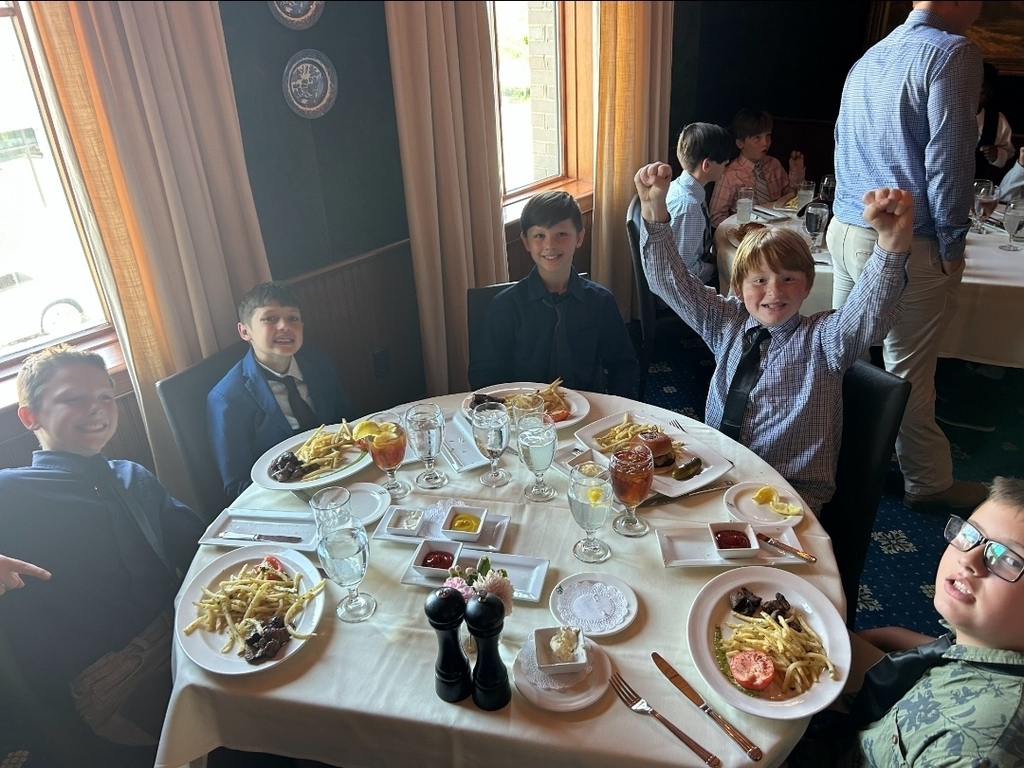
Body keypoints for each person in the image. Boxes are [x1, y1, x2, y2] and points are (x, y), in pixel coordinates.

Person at [635, 161, 912, 513]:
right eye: (760, 280)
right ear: (738, 286)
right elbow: (670, 282)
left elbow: (870, 308)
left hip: (787, 497)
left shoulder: (824, 342)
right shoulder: (727, 322)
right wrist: (654, 210)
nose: (774, 291)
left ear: (808, 285)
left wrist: (891, 243)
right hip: (716, 475)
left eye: (788, 279)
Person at [0, 344, 205, 766]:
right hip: (113, 680)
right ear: (30, 416)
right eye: (73, 398)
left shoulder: (133, 477)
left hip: (183, 633)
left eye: (105, 396)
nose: (96, 409)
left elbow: (200, 545)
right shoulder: (11, 493)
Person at [827, 0, 987, 513]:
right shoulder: (953, 53)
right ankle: (928, 482)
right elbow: (950, 159)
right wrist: (953, 244)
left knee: (844, 357)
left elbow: (839, 143)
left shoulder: (871, 56)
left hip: (846, 226)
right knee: (909, 370)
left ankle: (830, 455)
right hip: (905, 238)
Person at [787, 477, 1024, 768]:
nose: (969, 559)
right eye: (971, 534)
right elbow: (956, 654)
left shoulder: (971, 752)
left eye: (1008, 560)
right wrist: (895, 635)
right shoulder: (992, 640)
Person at [467, 190, 638, 397]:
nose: (550, 245)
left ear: (579, 237)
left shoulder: (600, 301)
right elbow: (484, 375)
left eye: (561, 234)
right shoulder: (506, 306)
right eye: (540, 236)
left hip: (588, 412)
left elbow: (623, 366)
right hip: (524, 417)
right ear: (526, 242)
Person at [207, 281, 355, 499]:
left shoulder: (319, 363)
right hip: (284, 497)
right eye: (270, 318)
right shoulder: (227, 398)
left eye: (293, 318)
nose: (285, 325)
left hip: (344, 477)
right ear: (245, 331)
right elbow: (236, 485)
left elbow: (348, 422)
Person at [709, 108, 806, 227]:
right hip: (750, 233)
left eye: (768, 136)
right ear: (740, 143)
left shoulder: (773, 164)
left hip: (780, 227)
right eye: (757, 138)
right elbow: (716, 216)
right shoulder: (729, 175)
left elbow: (790, 198)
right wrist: (741, 228)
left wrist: (796, 173)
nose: (765, 143)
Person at [665, 122, 735, 286]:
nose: (726, 167)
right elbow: (686, 270)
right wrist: (718, 268)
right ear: (707, 165)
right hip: (684, 290)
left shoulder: (677, 186)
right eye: (724, 163)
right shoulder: (689, 207)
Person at [976, 62, 1015, 178]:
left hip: (980, 185)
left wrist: (997, 155)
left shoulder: (997, 121)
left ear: (989, 95)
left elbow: (1010, 155)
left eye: (981, 93)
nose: (974, 99)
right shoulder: (946, 117)